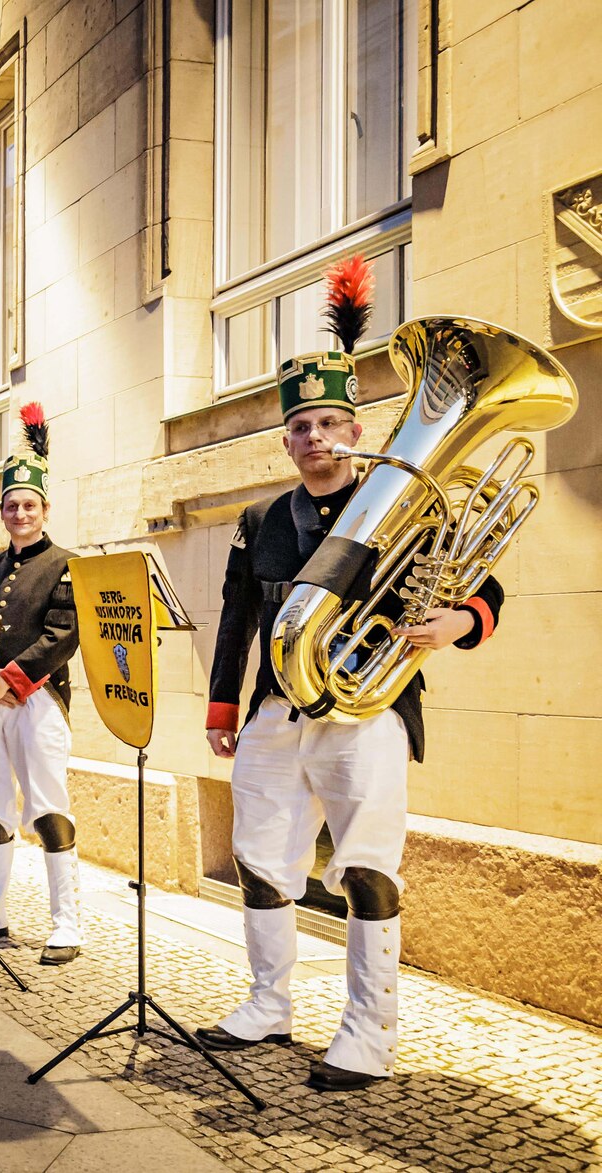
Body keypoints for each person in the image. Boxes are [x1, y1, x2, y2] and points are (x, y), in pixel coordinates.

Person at [196, 262, 504, 1093]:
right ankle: (267, 1004)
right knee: (259, 856)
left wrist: (459, 621)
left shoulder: (402, 497)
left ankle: (369, 1032)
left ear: (357, 427)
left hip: (370, 709)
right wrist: (224, 704)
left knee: (367, 866)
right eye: (301, 426)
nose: (316, 437)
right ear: (286, 438)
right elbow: (236, 614)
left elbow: (485, 586)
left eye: (331, 421)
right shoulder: (260, 517)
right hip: (277, 710)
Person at [0, 403, 84, 965]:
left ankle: (66, 922)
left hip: (40, 699)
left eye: (29, 505)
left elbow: (64, 633)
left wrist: (11, 680)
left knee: (48, 804)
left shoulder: (67, 563)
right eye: (11, 506)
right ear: (2, 511)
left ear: (44, 509)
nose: (20, 513)